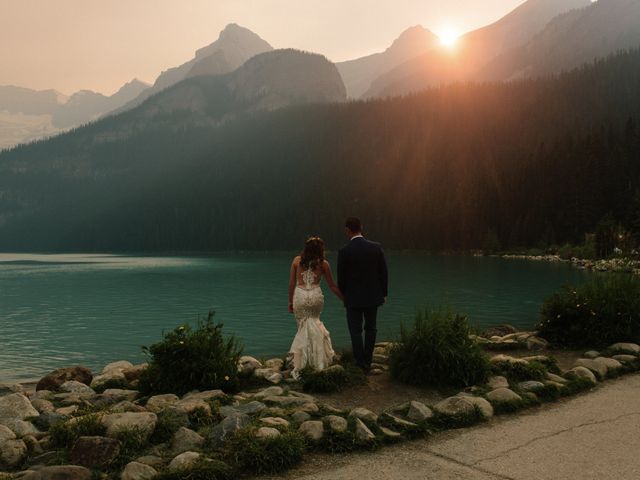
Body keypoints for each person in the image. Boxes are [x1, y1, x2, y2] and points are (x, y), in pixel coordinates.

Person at [288, 236, 343, 379]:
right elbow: (332, 285)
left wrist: (290, 302)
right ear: (320, 250)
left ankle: (303, 363)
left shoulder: (296, 261)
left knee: (303, 326)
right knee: (315, 323)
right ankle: (318, 360)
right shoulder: (324, 264)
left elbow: (291, 284)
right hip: (315, 296)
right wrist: (344, 299)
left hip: (300, 295)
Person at [337, 217, 388, 373]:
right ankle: (368, 360)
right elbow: (383, 273)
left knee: (356, 331)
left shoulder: (344, 251)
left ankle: (360, 363)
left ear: (347, 230)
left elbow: (341, 278)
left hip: (353, 298)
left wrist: (346, 295)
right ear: (361, 227)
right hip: (373, 296)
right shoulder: (376, 247)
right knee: (371, 329)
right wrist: (384, 293)